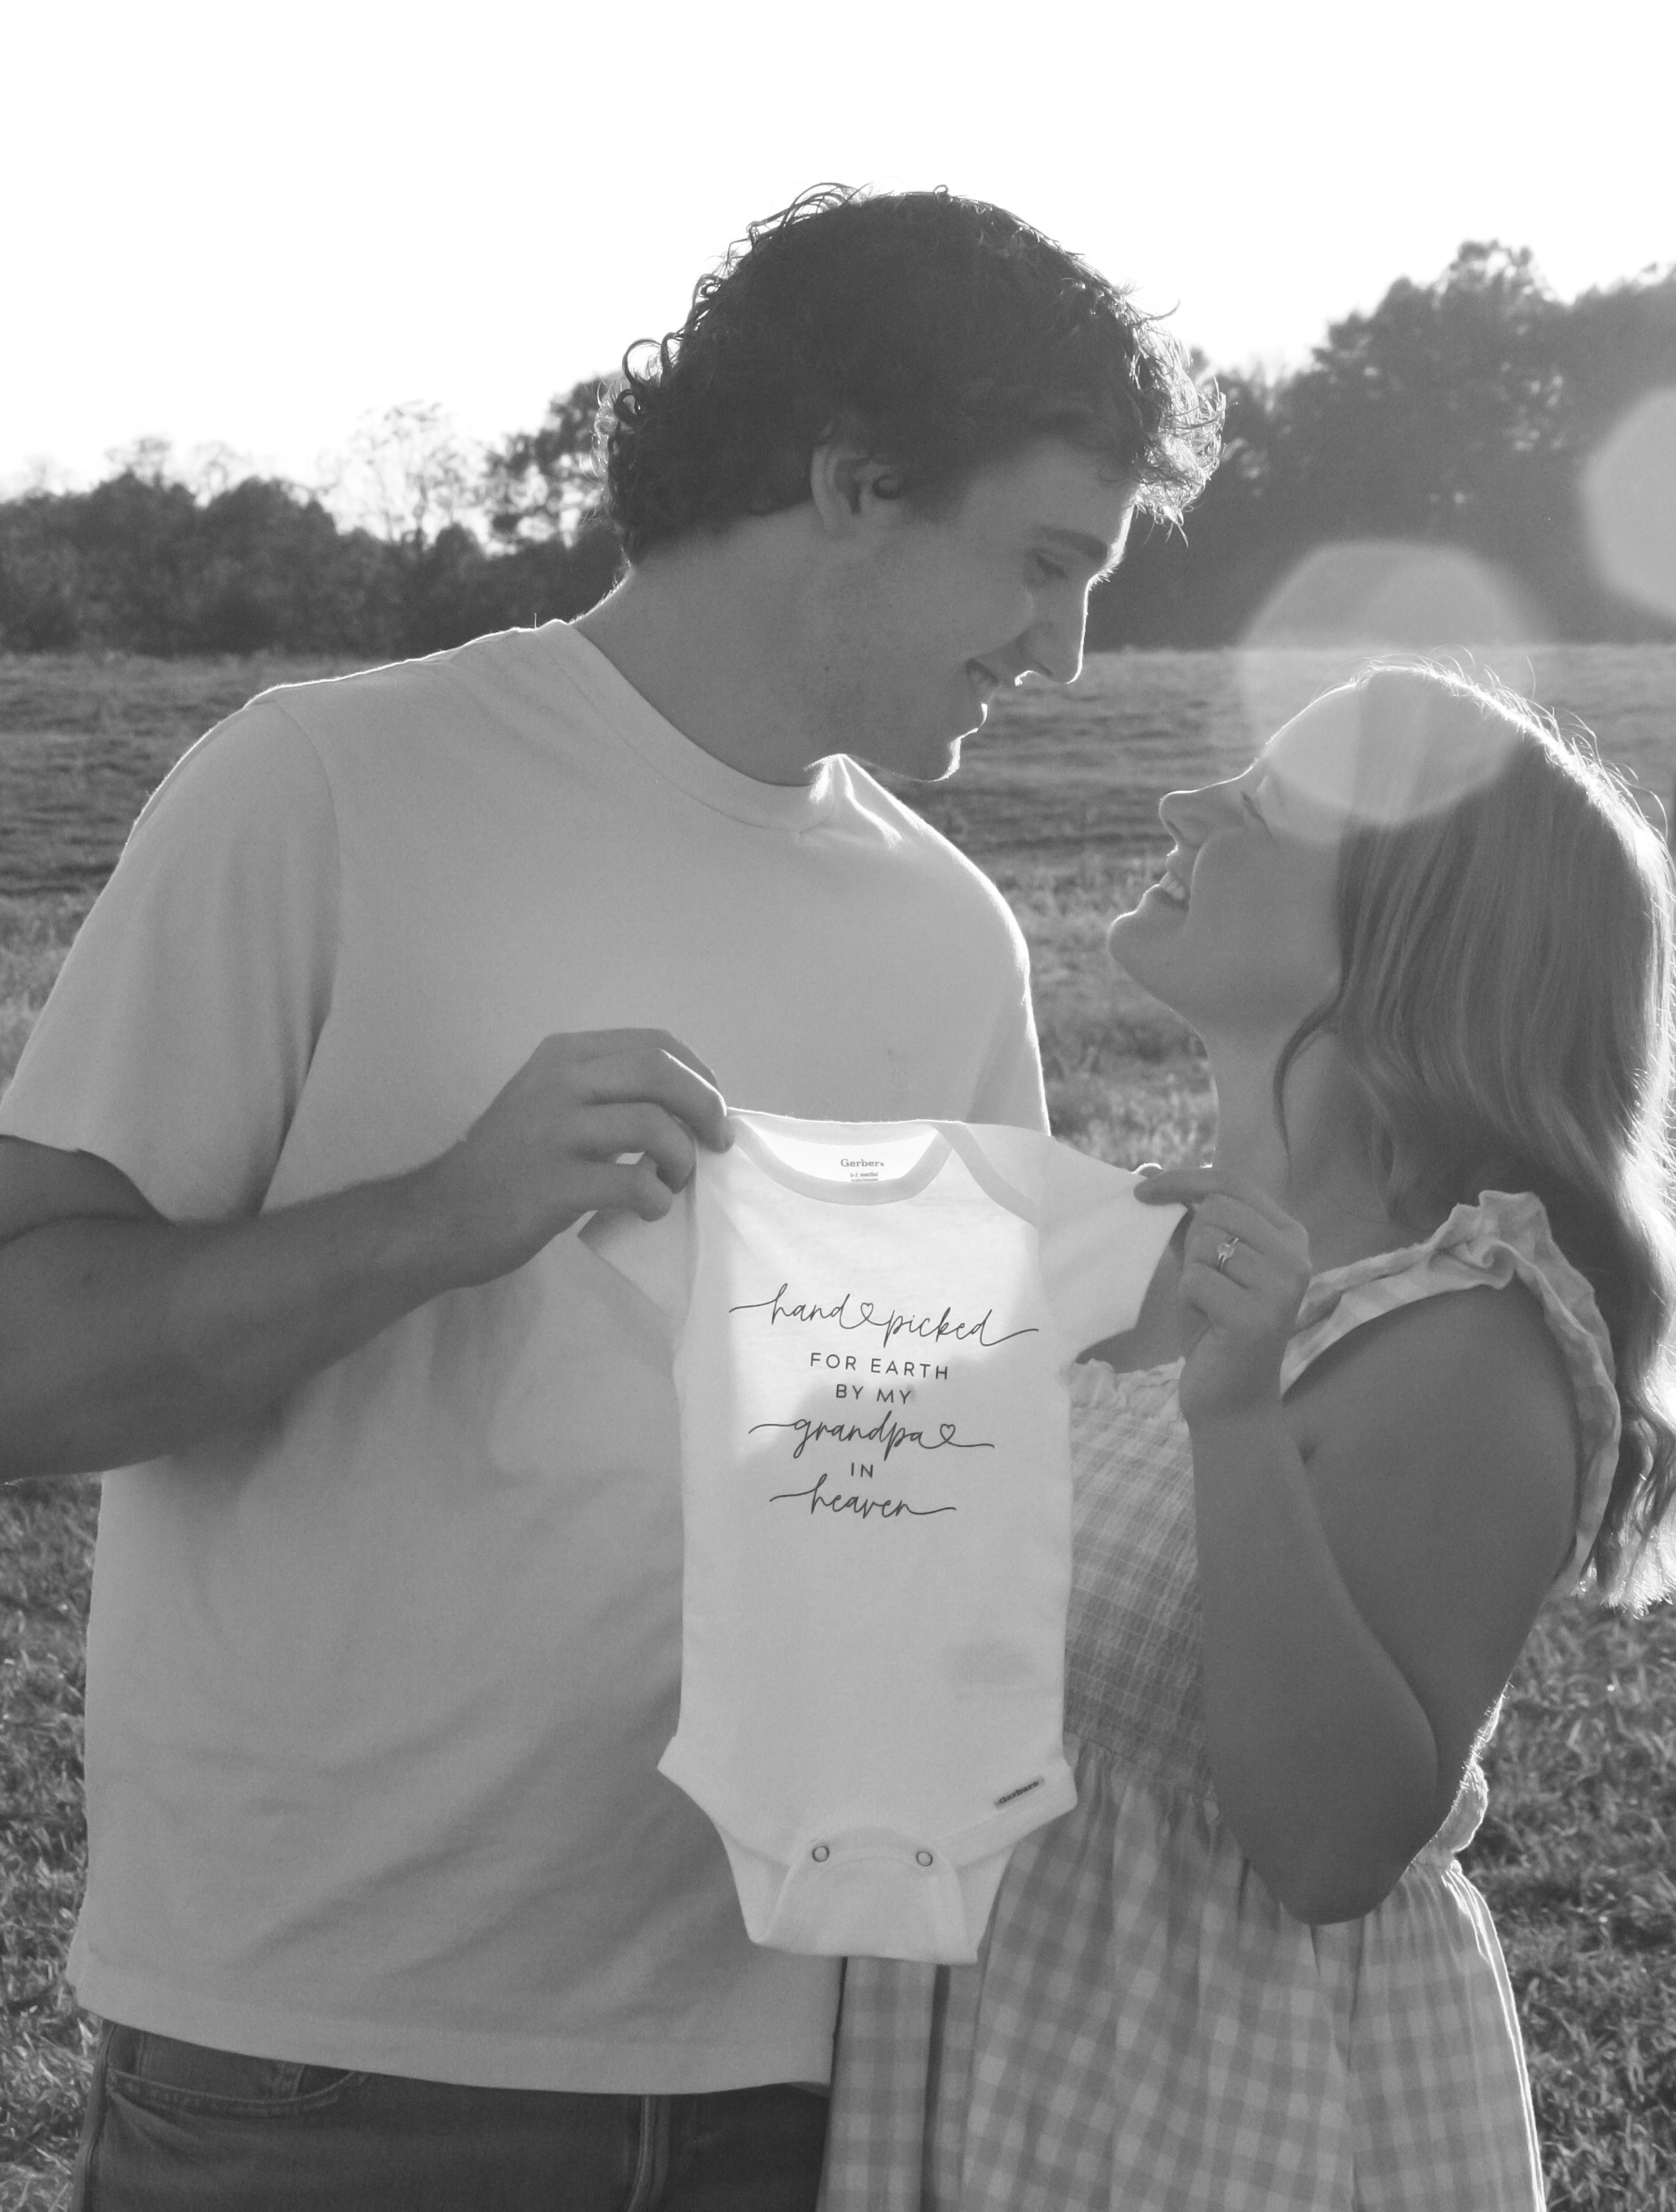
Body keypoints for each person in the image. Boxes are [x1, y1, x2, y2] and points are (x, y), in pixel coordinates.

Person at [0, 185, 1219, 2212]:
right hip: (328, 2063)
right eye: (1041, 563)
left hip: (793, 2068)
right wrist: (436, 1215)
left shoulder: (950, 936)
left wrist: (1119, 1312)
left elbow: (937, 1471)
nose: (1066, 654)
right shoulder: (322, 790)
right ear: (853, 482)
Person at [823, 661, 1676, 2211]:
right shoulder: (1114, 1244)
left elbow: (1331, 1844)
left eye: (1267, 806)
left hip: (1201, 2100)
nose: (1183, 802)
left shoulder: (1467, 1342)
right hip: (979, 2054)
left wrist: (1234, 1420)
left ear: (1410, 940)